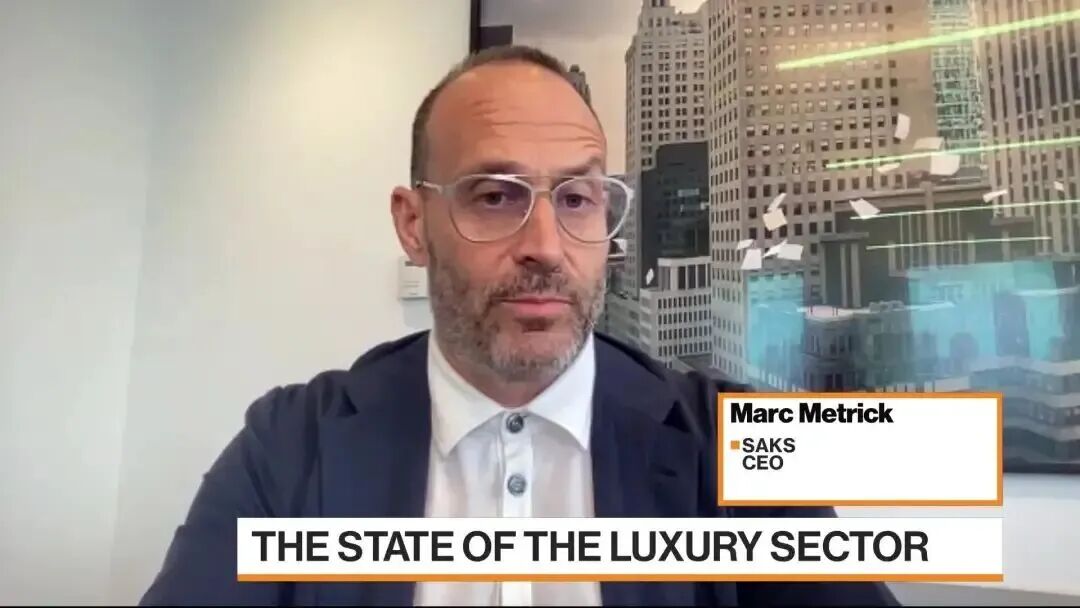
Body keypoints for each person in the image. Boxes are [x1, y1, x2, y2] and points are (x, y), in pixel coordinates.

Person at [141, 45, 897, 607]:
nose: (545, 245)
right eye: (495, 196)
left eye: (577, 199)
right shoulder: (289, 448)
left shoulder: (731, 448)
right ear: (413, 223)